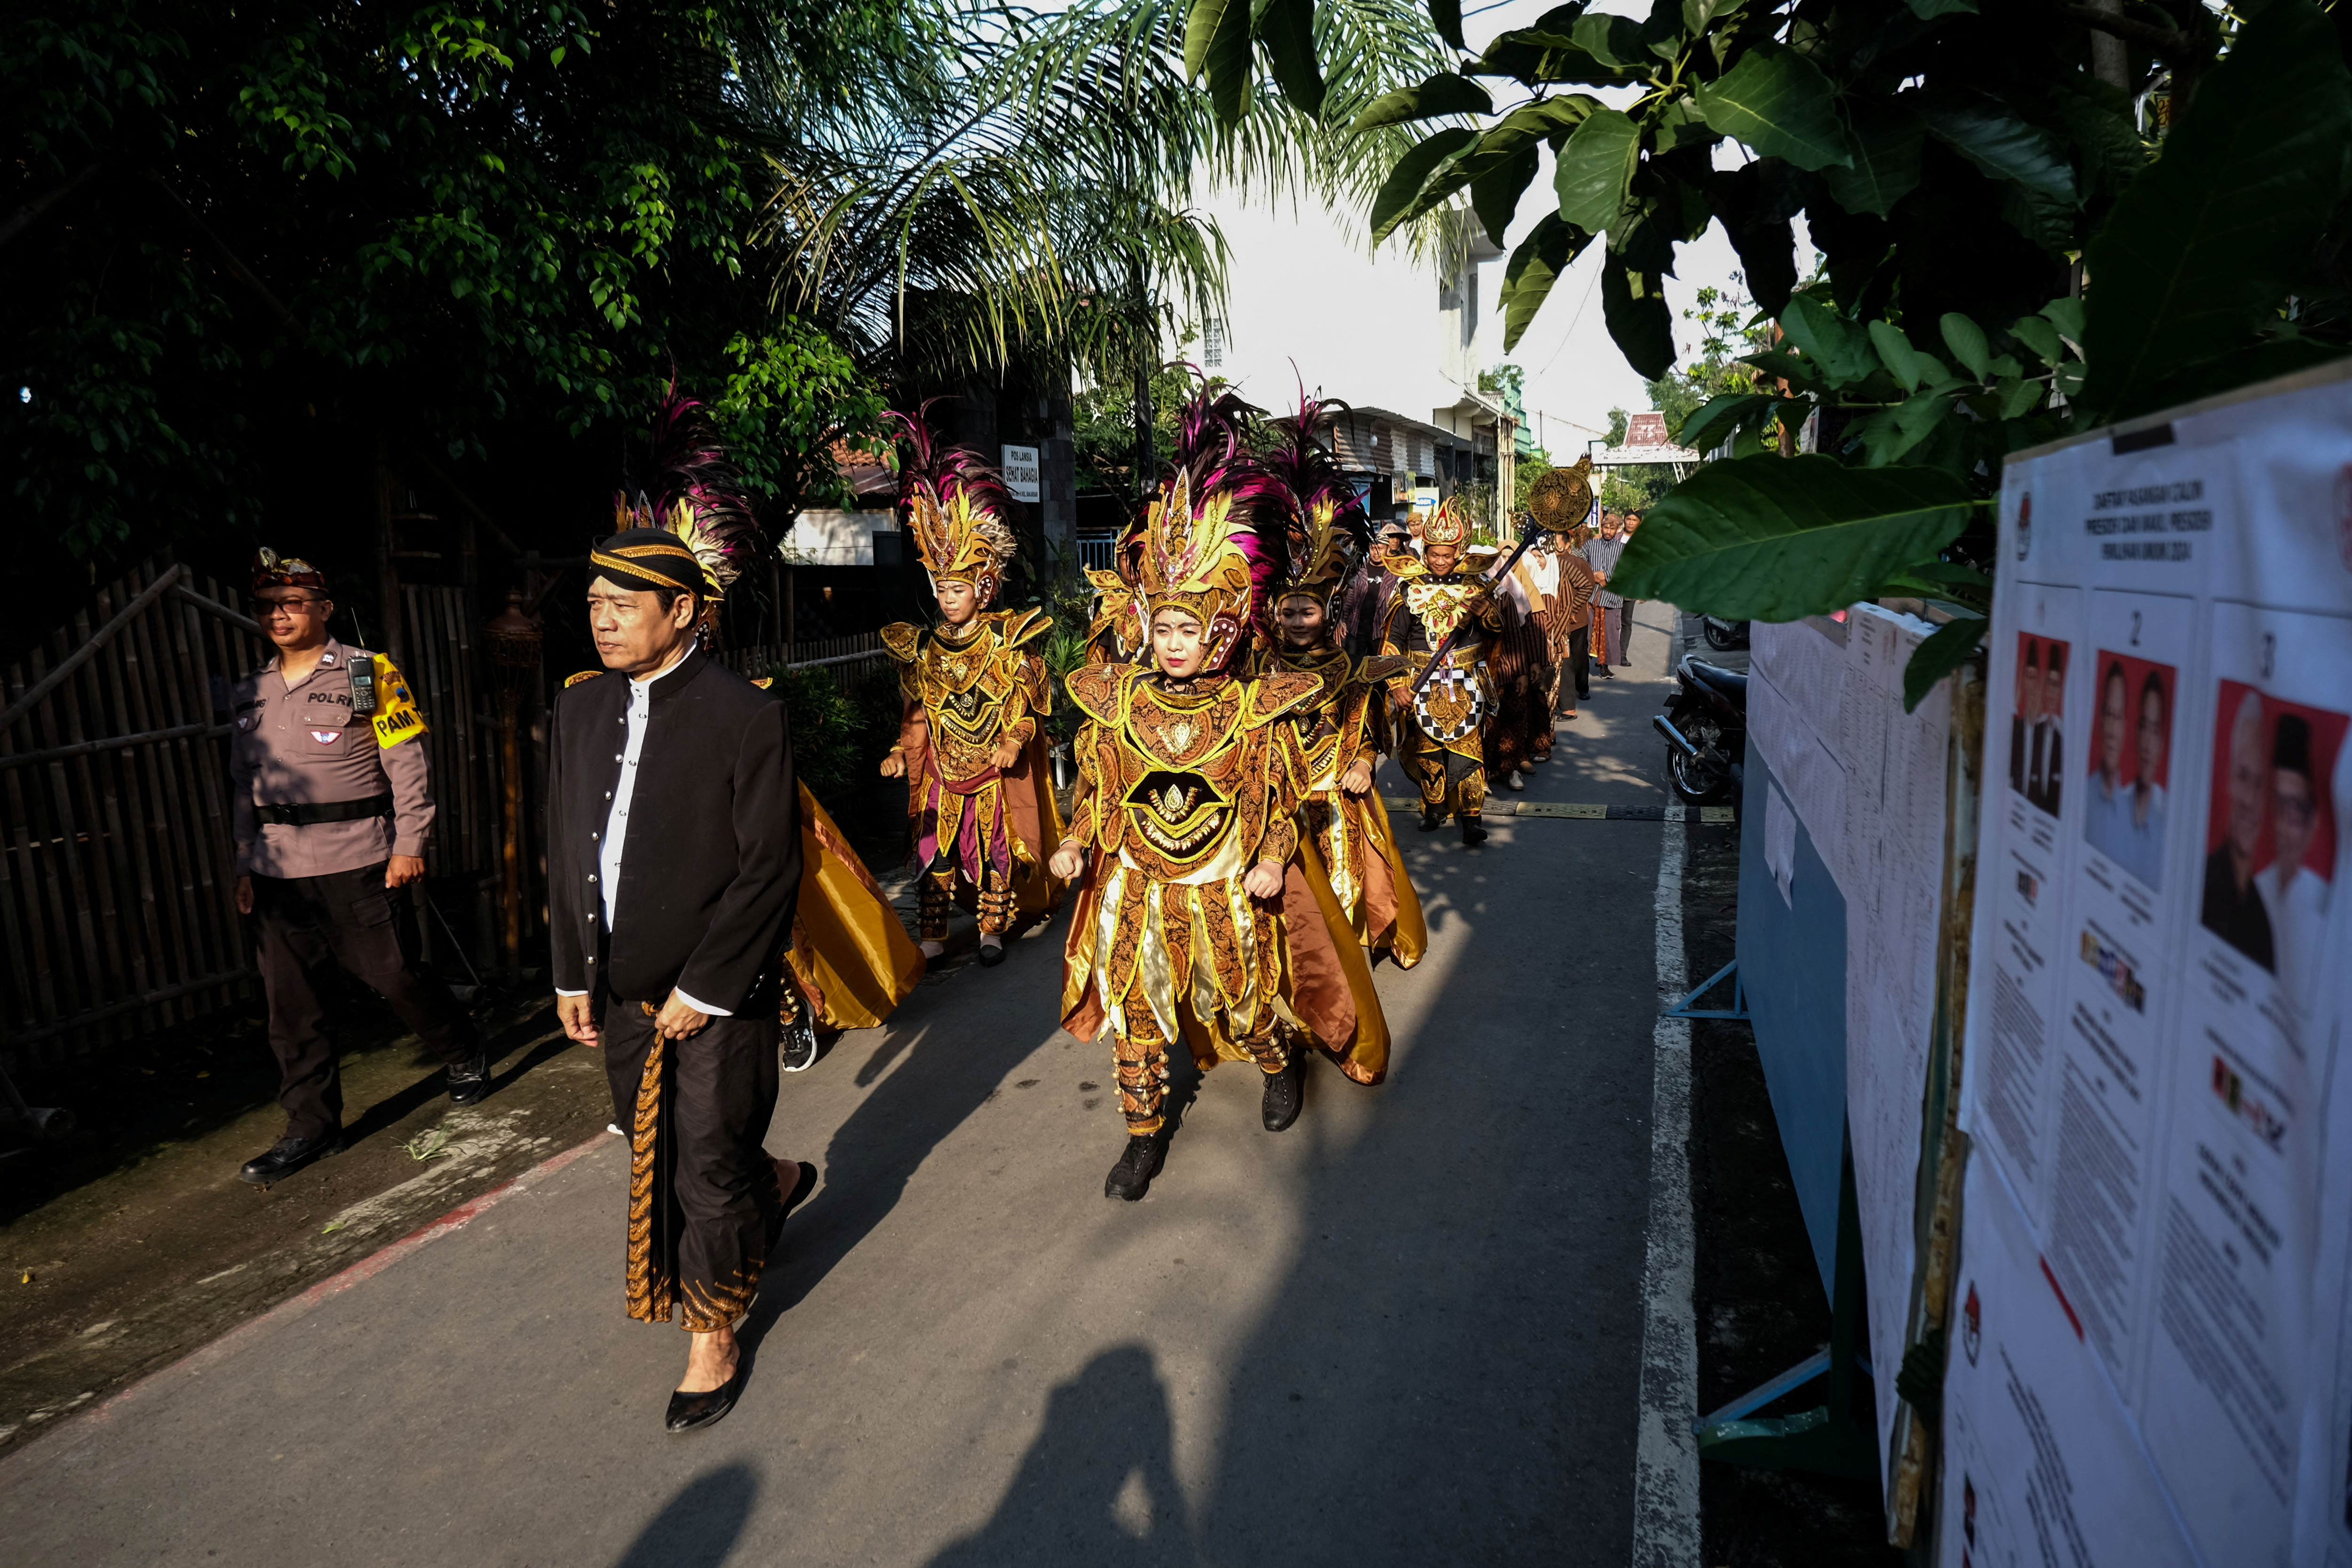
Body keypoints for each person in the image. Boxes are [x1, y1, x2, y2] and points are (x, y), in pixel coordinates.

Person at [1049, 387, 1388, 1201]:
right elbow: (1102, 784)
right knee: (1133, 1005)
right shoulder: (1117, 699)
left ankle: (1280, 1062)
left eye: (1186, 629)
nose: (1171, 644)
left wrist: (1273, 862)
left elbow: (1275, 802)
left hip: (1224, 882)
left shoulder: (1252, 703)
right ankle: (1139, 1136)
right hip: (1136, 881)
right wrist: (1075, 839)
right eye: (1161, 628)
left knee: (1241, 1002)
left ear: (1222, 629)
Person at [549, 390, 810, 1434]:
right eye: (596, 603)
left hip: (717, 984)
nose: (603, 618)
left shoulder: (746, 719)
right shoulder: (577, 705)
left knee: (700, 1153)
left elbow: (769, 869)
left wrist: (708, 987)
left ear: (684, 613)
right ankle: (778, 1180)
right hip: (615, 980)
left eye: (624, 604)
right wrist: (571, 968)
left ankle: (713, 1328)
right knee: (646, 1132)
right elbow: (572, 845)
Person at [229, 550, 486, 1186]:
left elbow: (406, 761)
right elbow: (243, 785)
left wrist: (411, 842)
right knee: (291, 1006)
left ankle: (463, 1049)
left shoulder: (367, 673)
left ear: (323, 609)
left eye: (292, 603)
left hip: (358, 856)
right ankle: (312, 1128)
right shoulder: (253, 689)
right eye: (267, 606)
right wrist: (242, 862)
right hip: (275, 870)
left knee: (394, 976)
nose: (278, 615)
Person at [875, 411, 1065, 968]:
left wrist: (1013, 740)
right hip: (941, 768)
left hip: (990, 773)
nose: (947, 597)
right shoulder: (926, 647)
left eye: (957, 587)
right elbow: (917, 711)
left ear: (982, 587)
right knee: (932, 853)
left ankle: (990, 929)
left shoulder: (1009, 642)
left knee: (992, 853)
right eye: (941, 587)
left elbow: (1029, 709)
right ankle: (932, 937)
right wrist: (895, 750)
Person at [1255, 395, 1427, 971]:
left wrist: (1364, 762)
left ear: (1328, 616)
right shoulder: (1261, 670)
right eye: (1288, 613)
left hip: (1335, 790)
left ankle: (1351, 947)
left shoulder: (1350, 671)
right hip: (1275, 798)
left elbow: (1368, 721)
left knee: (1346, 876)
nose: (1296, 622)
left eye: (1307, 613)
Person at [1380, 495, 1504, 845]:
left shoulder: (1477, 587)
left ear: (1459, 552)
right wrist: (1397, 685)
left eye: (1446, 555)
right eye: (1434, 553)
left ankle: (1472, 817)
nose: (1439, 561)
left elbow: (1497, 630)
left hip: (1467, 684)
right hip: (1422, 683)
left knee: (1468, 749)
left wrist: (1483, 613)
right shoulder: (1409, 589)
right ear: (1426, 550)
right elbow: (1393, 641)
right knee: (1428, 747)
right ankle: (1434, 808)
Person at [2255, 713, 2328, 1012]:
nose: (2283, 828)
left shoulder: (2325, 905)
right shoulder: (2253, 891)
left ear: (2312, 826)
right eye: (2278, 805)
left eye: (2295, 811)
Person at [2200, 688, 2275, 970]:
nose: (2251, 799)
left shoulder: (2264, 923)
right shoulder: (2200, 886)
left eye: (2260, 783)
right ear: (2229, 778)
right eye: (2244, 776)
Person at [2083, 660, 2136, 873]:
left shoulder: (2132, 815)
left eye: (2119, 717)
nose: (2113, 731)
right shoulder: (2082, 794)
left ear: (2125, 725)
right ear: (2100, 720)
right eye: (2109, 715)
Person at [1549, 526, 1598, 720]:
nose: (1553, 551)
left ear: (1568, 544)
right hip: (1563, 619)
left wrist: (1574, 607)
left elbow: (1588, 586)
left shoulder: (1573, 564)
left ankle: (1571, 705)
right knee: (1574, 657)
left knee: (1571, 659)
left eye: (1557, 547)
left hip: (1574, 619)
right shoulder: (1548, 563)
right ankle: (1580, 690)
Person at [1584, 511, 1628, 675]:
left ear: (1618, 529)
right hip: (1591, 596)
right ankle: (1583, 670)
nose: (1608, 531)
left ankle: (1605, 667)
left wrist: (1606, 575)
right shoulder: (1590, 545)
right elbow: (1580, 561)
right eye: (1605, 527)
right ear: (1601, 528)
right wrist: (1594, 575)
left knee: (1609, 633)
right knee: (1588, 634)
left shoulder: (1622, 549)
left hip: (1611, 598)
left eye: (1612, 528)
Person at [2026, 642, 2066, 815]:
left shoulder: (2064, 735)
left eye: (2057, 685)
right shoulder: (2034, 729)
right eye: (2050, 683)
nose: (2052, 692)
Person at [2009, 640, 2042, 798]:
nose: (2031, 683)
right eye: (2028, 676)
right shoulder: (2015, 725)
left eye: (2035, 677)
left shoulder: (2045, 731)